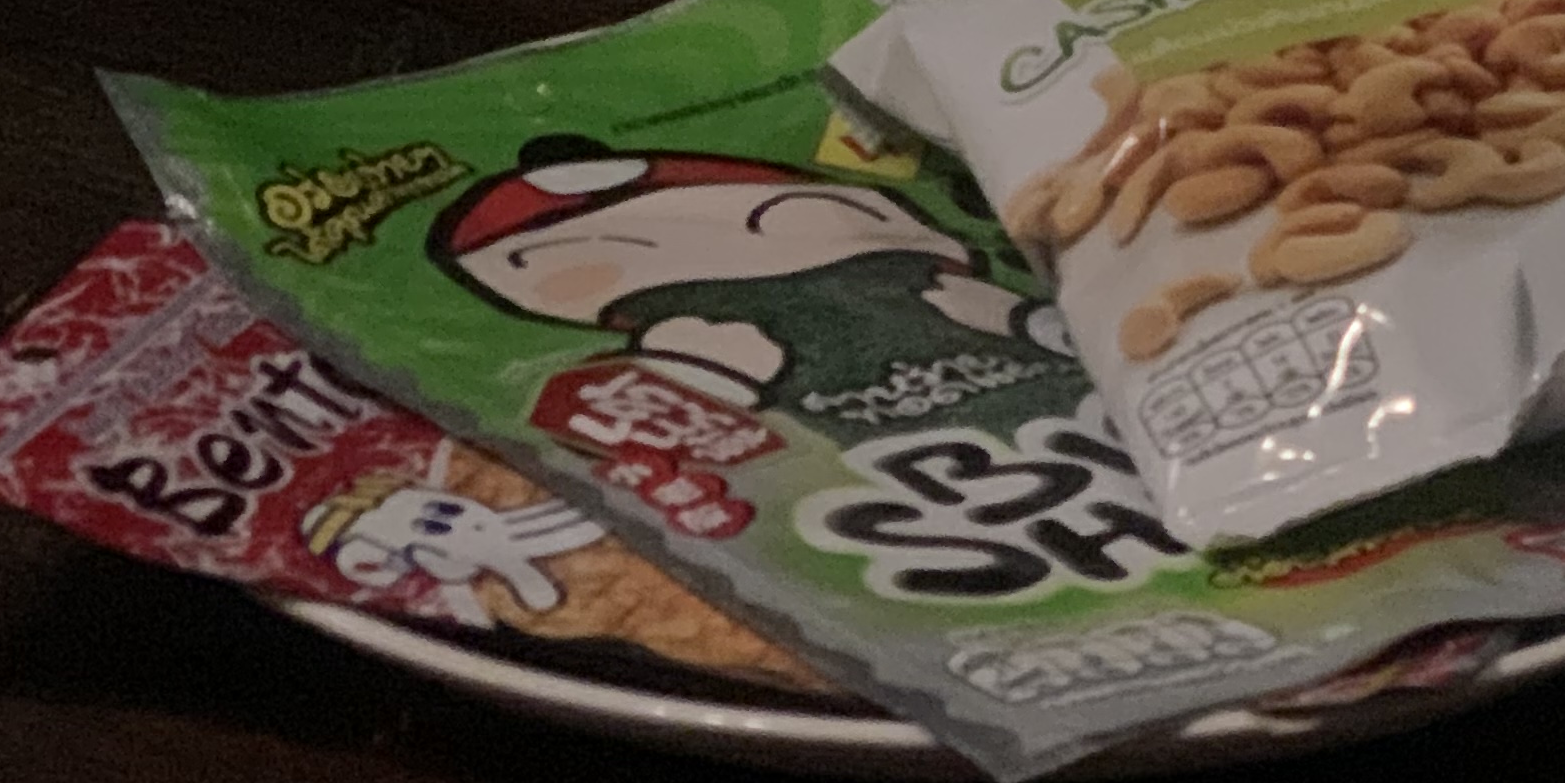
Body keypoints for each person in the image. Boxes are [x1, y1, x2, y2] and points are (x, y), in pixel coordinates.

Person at [425, 141, 1084, 444]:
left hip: (1046, 429)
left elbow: (994, 308)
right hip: (908, 464)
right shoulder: (685, 321)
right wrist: (698, 373)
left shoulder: (894, 266)